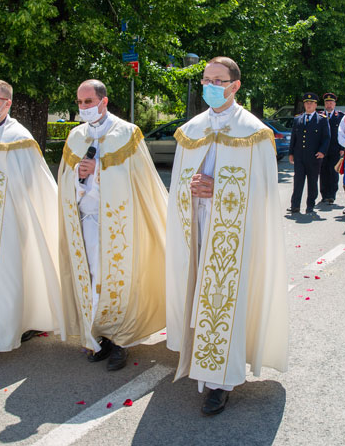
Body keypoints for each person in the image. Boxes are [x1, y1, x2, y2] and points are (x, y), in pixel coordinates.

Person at [165, 56, 288, 416]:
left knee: (222, 296)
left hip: (233, 230)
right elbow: (178, 184)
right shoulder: (192, 130)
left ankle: (220, 381)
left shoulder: (253, 131)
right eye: (206, 79)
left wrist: (220, 190)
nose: (210, 86)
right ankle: (194, 356)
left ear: (235, 86)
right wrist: (191, 192)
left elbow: (264, 193)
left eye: (218, 80)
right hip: (197, 225)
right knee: (196, 292)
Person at [0, 79, 72, 362]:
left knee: (5, 280)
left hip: (10, 222)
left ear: (7, 103)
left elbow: (28, 184)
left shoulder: (18, 139)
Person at [58, 80, 167, 371]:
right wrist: (80, 179)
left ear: (103, 101)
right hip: (87, 222)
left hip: (121, 224)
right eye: (80, 103)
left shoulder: (127, 134)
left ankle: (121, 340)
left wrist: (100, 170)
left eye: (88, 102)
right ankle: (99, 335)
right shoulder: (75, 137)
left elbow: (138, 181)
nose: (83, 108)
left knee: (120, 280)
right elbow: (64, 181)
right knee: (93, 279)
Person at [287, 92, 330, 214]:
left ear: (316, 105)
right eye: (306, 103)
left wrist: (322, 151)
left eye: (311, 103)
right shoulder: (298, 119)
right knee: (298, 181)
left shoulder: (321, 120)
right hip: (299, 156)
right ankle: (295, 205)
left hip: (314, 156)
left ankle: (310, 205)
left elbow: (326, 137)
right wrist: (291, 153)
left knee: (312, 182)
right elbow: (293, 137)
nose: (309, 105)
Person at [319, 93, 344, 204]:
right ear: (324, 104)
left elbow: (343, 133)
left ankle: (331, 195)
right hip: (322, 150)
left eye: (331, 103)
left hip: (335, 149)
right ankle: (324, 195)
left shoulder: (340, 116)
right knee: (323, 172)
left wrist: (342, 148)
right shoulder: (319, 116)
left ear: (334, 104)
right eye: (327, 103)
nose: (329, 105)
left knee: (333, 172)